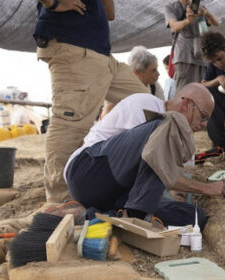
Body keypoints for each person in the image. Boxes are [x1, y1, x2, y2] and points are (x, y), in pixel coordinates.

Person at [33, 0, 148, 203]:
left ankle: (122, 173)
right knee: (70, 125)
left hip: (101, 54)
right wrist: (54, 3)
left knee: (146, 105)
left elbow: (110, 13)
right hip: (74, 46)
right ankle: (60, 202)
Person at [65, 83, 225, 227]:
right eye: (204, 116)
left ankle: (96, 216)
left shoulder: (179, 135)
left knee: (196, 216)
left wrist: (178, 198)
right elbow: (154, 160)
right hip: (88, 172)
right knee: (167, 124)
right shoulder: (145, 105)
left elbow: (168, 175)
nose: (205, 124)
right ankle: (137, 215)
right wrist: (205, 189)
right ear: (187, 103)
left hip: (118, 194)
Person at [165, 0, 219, 92]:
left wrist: (206, 13)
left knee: (204, 94)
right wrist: (188, 20)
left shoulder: (199, 6)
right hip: (185, 58)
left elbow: (216, 23)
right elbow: (174, 26)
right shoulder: (171, 6)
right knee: (184, 94)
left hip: (203, 58)